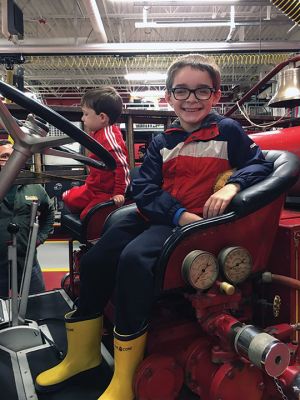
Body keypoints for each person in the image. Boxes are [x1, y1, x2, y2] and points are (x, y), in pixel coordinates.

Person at [35, 54, 273, 399]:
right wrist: (175, 215)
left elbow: (258, 165)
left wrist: (234, 185)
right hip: (169, 216)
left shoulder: (229, 132)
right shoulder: (164, 141)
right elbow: (144, 189)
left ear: (216, 96)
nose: (191, 99)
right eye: (182, 91)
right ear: (169, 97)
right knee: (96, 258)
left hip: (196, 223)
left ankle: (124, 378)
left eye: (201, 91)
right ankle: (83, 355)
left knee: (135, 260)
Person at [62, 87, 130, 220]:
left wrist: (119, 193)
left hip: (105, 192)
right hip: (93, 186)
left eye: (86, 114)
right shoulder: (97, 133)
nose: (82, 118)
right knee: (67, 198)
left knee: (87, 217)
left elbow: (122, 167)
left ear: (102, 117)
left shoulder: (110, 138)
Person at [0, 141, 55, 297]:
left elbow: (49, 212)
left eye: (14, 157)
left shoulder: (33, 186)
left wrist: (39, 237)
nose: (11, 161)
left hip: (27, 263)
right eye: (4, 156)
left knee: (37, 307)